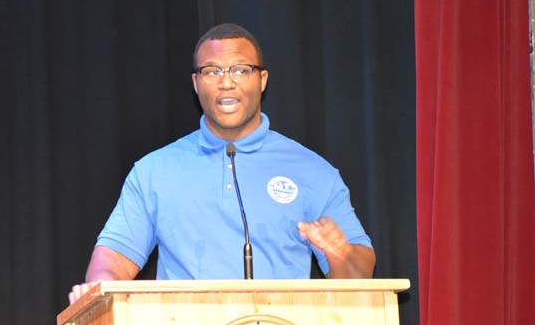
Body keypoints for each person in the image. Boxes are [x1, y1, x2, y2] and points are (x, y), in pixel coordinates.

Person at [69, 23, 375, 304]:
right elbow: (112, 261)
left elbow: (360, 276)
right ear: (196, 83)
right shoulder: (154, 171)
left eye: (241, 70)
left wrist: (341, 254)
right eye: (212, 71)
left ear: (262, 80)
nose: (226, 82)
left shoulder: (313, 171)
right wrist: (101, 288)